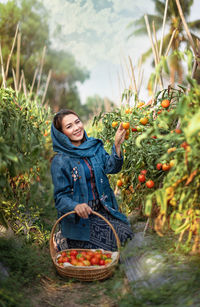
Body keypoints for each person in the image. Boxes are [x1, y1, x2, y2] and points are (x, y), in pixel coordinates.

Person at [51, 109, 133, 252]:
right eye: (69, 126)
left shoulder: (94, 147)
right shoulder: (60, 161)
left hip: (101, 209)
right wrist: (75, 206)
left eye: (77, 122)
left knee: (125, 233)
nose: (76, 128)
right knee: (109, 246)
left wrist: (117, 145)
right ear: (61, 134)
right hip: (80, 218)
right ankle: (63, 241)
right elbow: (60, 198)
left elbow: (111, 167)